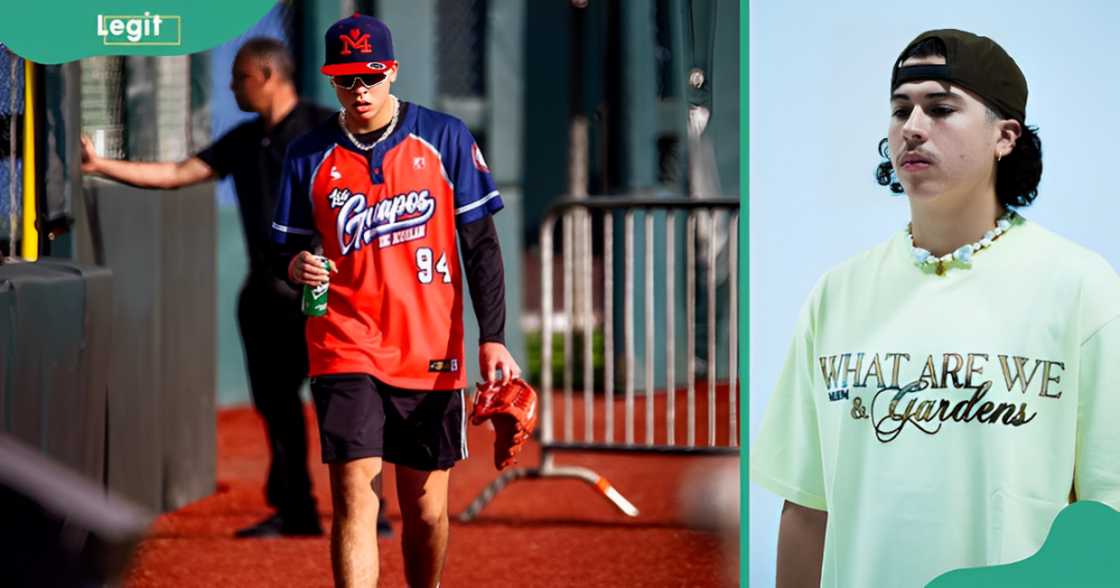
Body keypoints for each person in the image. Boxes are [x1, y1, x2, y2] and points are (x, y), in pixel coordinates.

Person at [750, 29, 1120, 587]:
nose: (913, 128)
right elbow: (806, 509)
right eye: (901, 110)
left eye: (941, 108)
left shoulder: (1081, 288)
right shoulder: (836, 294)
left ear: (1006, 136)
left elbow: (1106, 521)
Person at [80, 37, 392, 540]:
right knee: (278, 411)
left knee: (349, 404)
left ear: (268, 75)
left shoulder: (326, 129)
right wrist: (101, 166)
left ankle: (369, 513)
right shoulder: (246, 141)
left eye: (240, 78)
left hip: (329, 298)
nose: (231, 86)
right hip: (266, 297)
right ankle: (296, 512)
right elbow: (178, 172)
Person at [271, 13, 520, 588]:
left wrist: (494, 337)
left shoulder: (445, 137)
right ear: (330, 80)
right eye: (345, 79)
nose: (359, 91)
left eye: (370, 76)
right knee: (356, 499)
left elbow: (480, 244)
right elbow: (282, 250)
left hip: (429, 351)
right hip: (344, 344)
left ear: (392, 72)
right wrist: (294, 265)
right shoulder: (308, 154)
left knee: (426, 510)